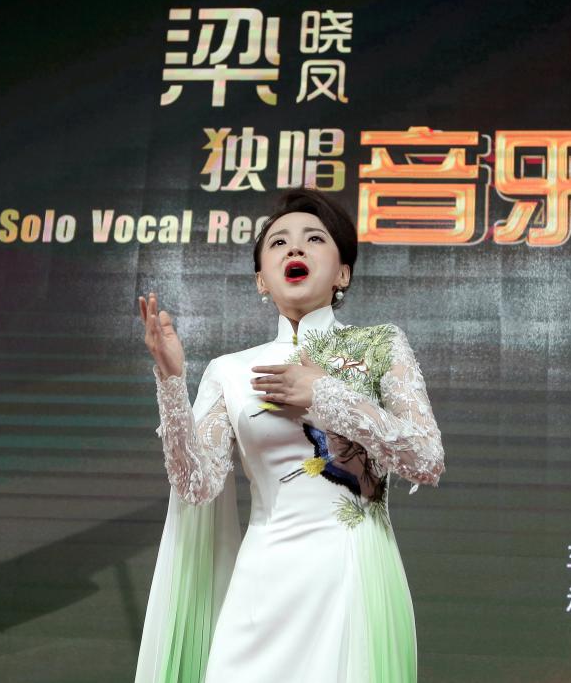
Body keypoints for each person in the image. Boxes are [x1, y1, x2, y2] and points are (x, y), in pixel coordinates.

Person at [133, 188, 446, 683]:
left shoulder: (381, 345)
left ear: (342, 274)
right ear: (262, 279)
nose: (295, 248)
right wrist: (172, 381)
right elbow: (196, 485)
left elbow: (426, 459)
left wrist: (326, 394)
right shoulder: (230, 371)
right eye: (278, 242)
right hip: (260, 585)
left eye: (314, 239)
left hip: (351, 575)